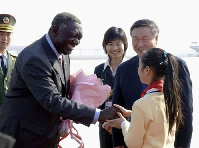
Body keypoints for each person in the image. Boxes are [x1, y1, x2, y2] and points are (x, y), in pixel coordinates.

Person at [0, 12, 120, 148]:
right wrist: (98, 114)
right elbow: (52, 100)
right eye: (73, 36)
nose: (76, 42)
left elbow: (63, 94)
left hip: (45, 133)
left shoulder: (63, 53)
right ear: (55, 31)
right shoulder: (34, 58)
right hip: (23, 137)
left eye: (79, 38)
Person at [111, 19, 193, 148]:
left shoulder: (176, 65)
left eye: (145, 38)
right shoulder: (124, 68)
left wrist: (183, 145)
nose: (140, 44)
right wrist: (118, 143)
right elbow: (118, 107)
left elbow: (185, 111)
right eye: (135, 39)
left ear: (156, 38)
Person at [107, 48, 183, 147]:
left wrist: (123, 124)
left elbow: (133, 144)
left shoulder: (141, 105)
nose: (138, 70)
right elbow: (156, 119)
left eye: (139, 66)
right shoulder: (171, 99)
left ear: (147, 70)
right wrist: (131, 114)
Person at [94, 26, 128, 148]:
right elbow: (96, 98)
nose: (114, 48)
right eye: (110, 44)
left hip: (127, 123)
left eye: (118, 44)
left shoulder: (134, 68)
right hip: (105, 124)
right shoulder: (99, 70)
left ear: (125, 45)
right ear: (105, 46)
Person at [0, 14, 17, 106]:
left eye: (8, 34)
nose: (5, 38)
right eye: (1, 34)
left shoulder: (16, 61)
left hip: (9, 116)